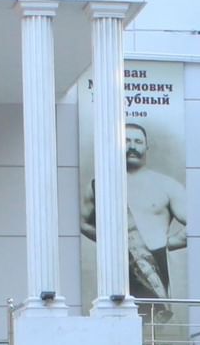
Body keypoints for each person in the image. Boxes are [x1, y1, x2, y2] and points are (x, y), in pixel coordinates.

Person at [80, 121, 187, 301]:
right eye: (126, 141)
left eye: (138, 142)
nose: (132, 147)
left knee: (154, 324)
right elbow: (82, 223)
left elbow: (196, 226)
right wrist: (109, 242)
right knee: (112, 320)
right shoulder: (99, 185)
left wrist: (163, 244)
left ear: (146, 146)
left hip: (154, 269)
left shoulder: (167, 185)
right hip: (114, 270)